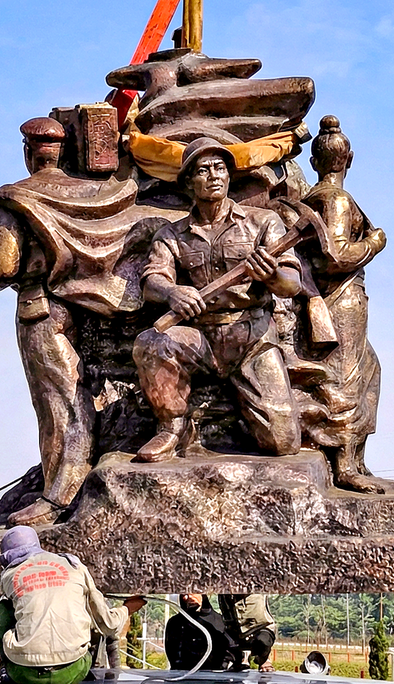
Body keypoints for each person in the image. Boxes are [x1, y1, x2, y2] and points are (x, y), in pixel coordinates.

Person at [131, 137, 303, 462]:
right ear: (188, 182)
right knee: (151, 342)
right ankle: (172, 428)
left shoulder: (262, 223)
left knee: (284, 442)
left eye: (220, 168)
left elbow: (291, 284)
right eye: (204, 170)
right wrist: (172, 292)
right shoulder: (172, 234)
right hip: (201, 338)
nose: (214, 175)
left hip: (251, 336)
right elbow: (152, 281)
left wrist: (270, 275)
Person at [0, 117, 94, 526]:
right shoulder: (95, 193)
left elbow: (2, 266)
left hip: (42, 309)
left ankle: (59, 496)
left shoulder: (15, 199)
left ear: (29, 153)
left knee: (59, 404)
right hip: (96, 307)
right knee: (85, 398)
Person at [295, 115, 388, 492]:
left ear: (315, 162)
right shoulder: (335, 199)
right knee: (345, 380)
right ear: (348, 160)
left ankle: (355, 458)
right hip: (340, 298)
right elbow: (334, 257)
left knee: (369, 370)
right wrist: (374, 243)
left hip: (335, 298)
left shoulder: (314, 198)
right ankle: (345, 464)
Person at [0, 526, 145, 684]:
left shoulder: (9, 575)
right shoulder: (75, 566)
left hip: (24, 674)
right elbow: (108, 624)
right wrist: (127, 608)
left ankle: (6, 683)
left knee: (3, 609)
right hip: (75, 671)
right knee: (79, 603)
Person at [166, 594, 238, 671]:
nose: (187, 597)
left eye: (192, 592)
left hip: (212, 678)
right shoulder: (175, 623)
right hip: (181, 677)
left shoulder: (219, 621)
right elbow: (172, 652)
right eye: (184, 594)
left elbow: (231, 651)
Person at [218, 594, 276, 672]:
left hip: (260, 626)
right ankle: (240, 659)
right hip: (233, 628)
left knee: (263, 642)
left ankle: (263, 658)